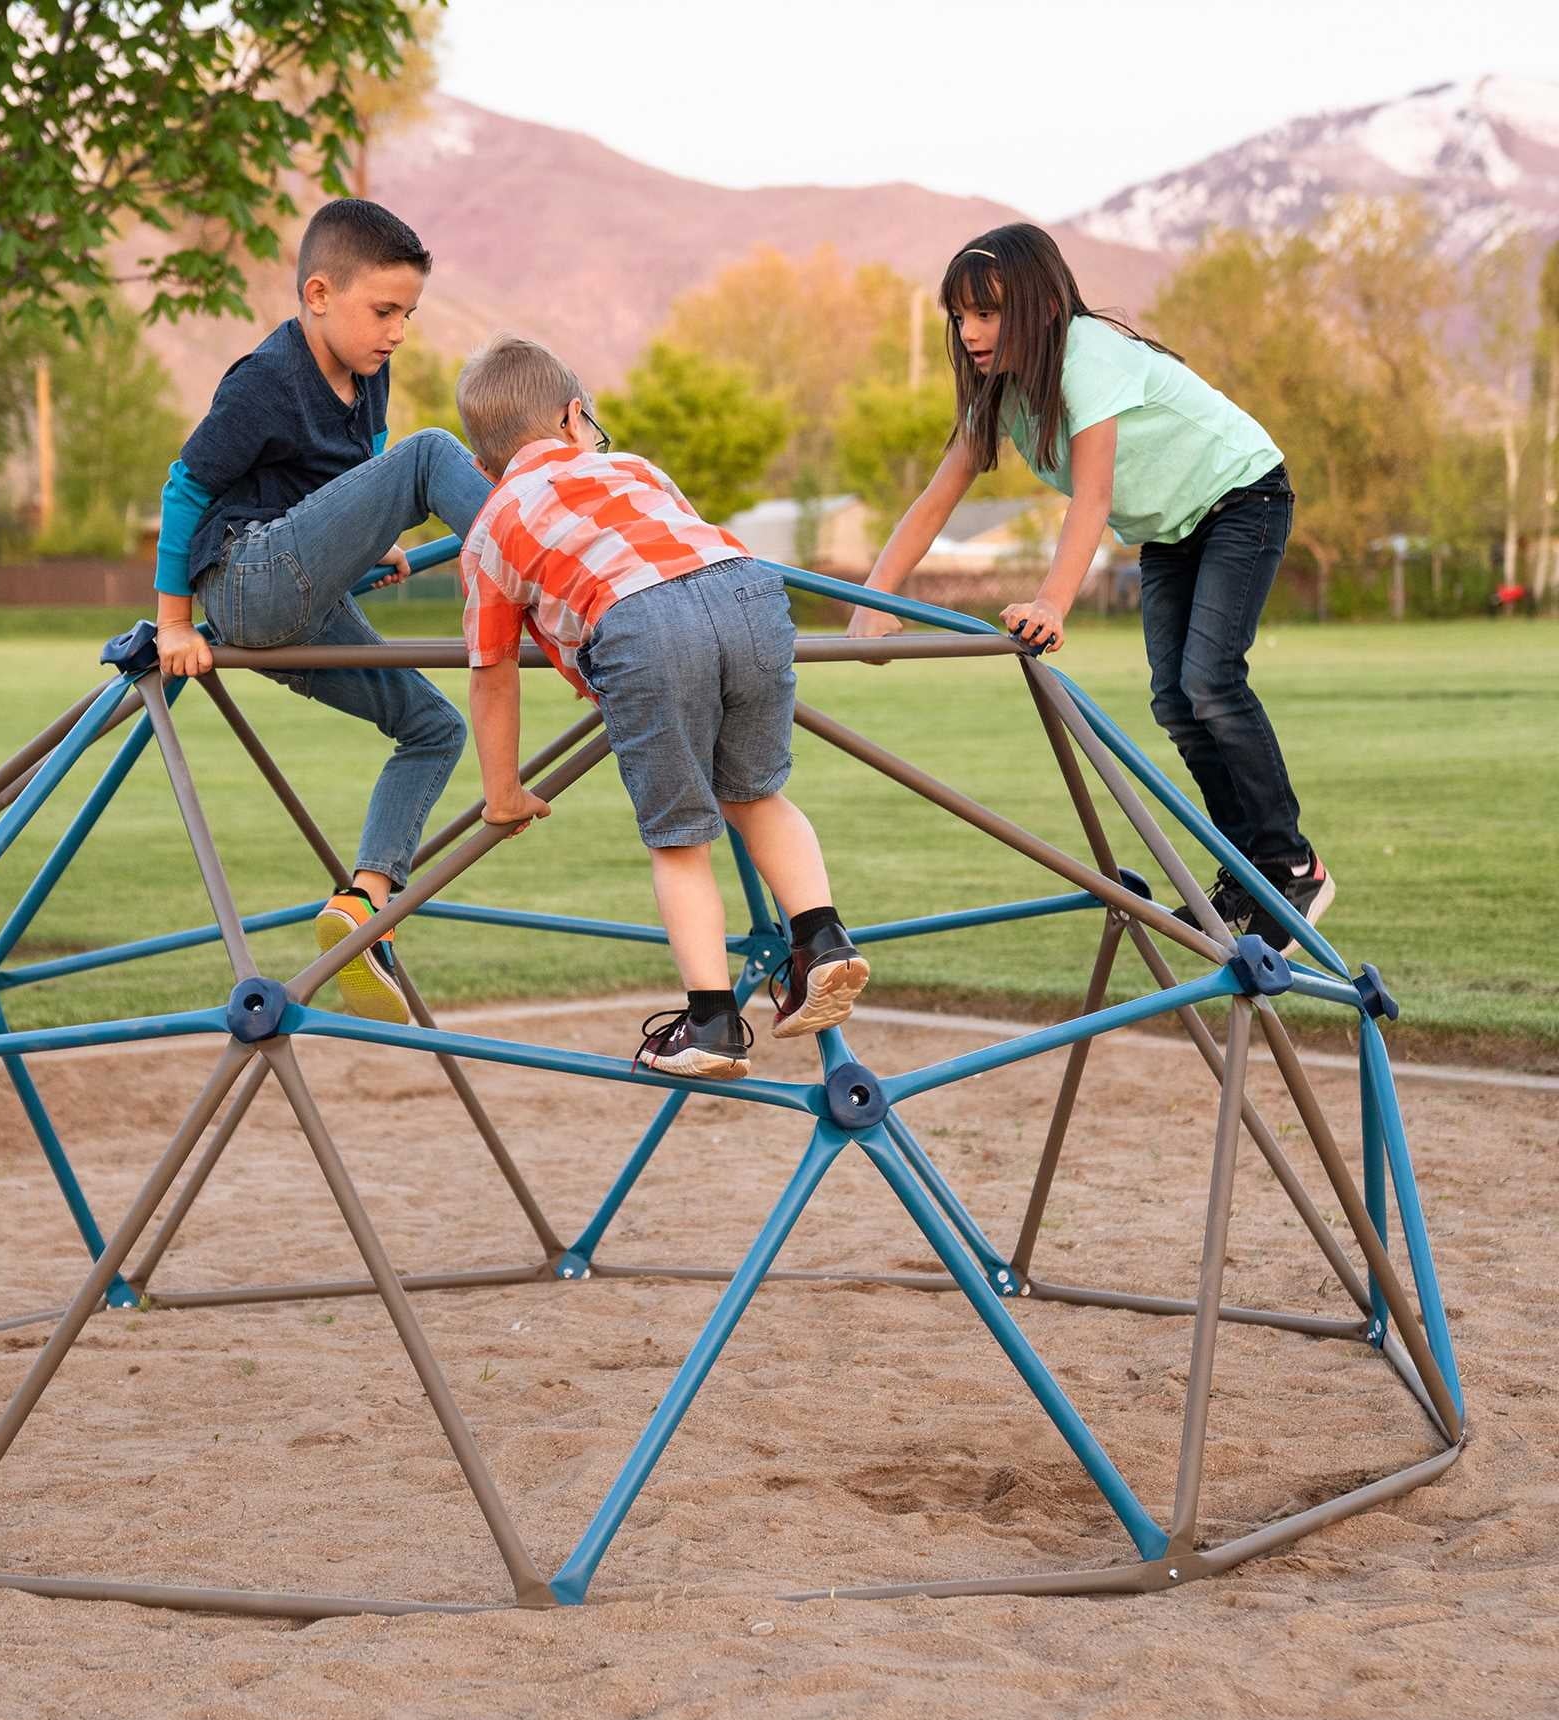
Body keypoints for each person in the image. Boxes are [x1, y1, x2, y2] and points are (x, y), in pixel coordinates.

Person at [846, 222, 1333, 953]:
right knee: (1176, 703)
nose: (970, 332)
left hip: (1242, 496)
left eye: (988, 313)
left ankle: (1293, 866)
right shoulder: (999, 393)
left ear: (1043, 308)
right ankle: (1249, 867)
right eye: (960, 316)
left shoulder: (1087, 355)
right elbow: (936, 499)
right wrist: (872, 602)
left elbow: (1093, 495)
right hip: (1171, 530)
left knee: (1210, 683)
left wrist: (1052, 602)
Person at [453, 335, 868, 1080]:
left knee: (679, 839)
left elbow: (493, 672)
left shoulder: (491, 528)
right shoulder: (635, 468)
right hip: (747, 590)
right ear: (575, 418)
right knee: (757, 795)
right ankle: (822, 940)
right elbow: (686, 557)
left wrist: (502, 790)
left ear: (485, 470)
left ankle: (713, 1022)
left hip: (640, 626)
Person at [151, 198, 495, 1023]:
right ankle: (549, 562)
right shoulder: (268, 380)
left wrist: (371, 537)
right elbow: (185, 488)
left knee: (436, 727)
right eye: (383, 311)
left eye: (407, 315)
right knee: (431, 453)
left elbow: (355, 474)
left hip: (303, 600)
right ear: (318, 294)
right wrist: (172, 624)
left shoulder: (369, 376)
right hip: (247, 575)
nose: (397, 332)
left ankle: (363, 906)